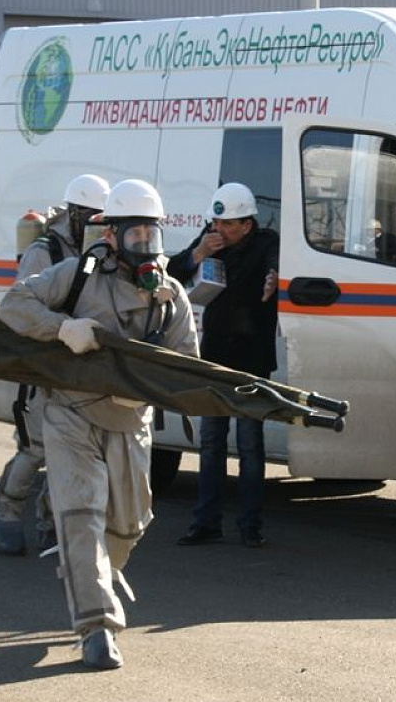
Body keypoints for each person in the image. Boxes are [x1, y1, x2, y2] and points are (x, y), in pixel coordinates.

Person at [0, 178, 198, 670]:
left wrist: (150, 387)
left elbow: (188, 365)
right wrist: (62, 327)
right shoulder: (77, 275)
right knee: (81, 514)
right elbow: (14, 305)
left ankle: (93, 572)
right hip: (71, 412)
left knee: (129, 524)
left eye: (151, 234)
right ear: (111, 235)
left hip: (130, 420)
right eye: (134, 234)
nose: (143, 245)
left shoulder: (169, 295)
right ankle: (97, 628)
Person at [0, 173, 109, 555]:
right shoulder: (43, 251)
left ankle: (52, 521)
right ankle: (5, 512)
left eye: (102, 218)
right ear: (74, 212)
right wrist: (62, 328)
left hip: (81, 367)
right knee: (35, 448)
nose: (96, 224)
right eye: (90, 216)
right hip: (44, 363)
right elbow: (22, 309)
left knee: (74, 450)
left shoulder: (102, 251)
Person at [168, 182, 279, 549]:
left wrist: (274, 277)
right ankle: (206, 523)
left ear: (247, 225)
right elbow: (173, 272)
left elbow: (275, 266)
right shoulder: (209, 238)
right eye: (216, 223)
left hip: (251, 359)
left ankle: (250, 525)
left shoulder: (266, 242)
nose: (220, 230)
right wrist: (199, 252)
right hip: (215, 355)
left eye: (228, 225)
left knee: (249, 445)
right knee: (211, 443)